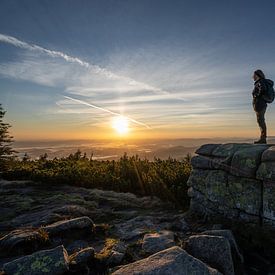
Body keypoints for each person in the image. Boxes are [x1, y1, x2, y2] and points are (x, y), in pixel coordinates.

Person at [252, 69, 273, 144]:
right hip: (262, 104)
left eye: (254, 75)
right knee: (260, 121)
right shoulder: (261, 82)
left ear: (257, 75)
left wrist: (256, 95)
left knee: (260, 121)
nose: (252, 77)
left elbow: (262, 90)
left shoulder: (260, 82)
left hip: (260, 104)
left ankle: (263, 139)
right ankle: (263, 138)